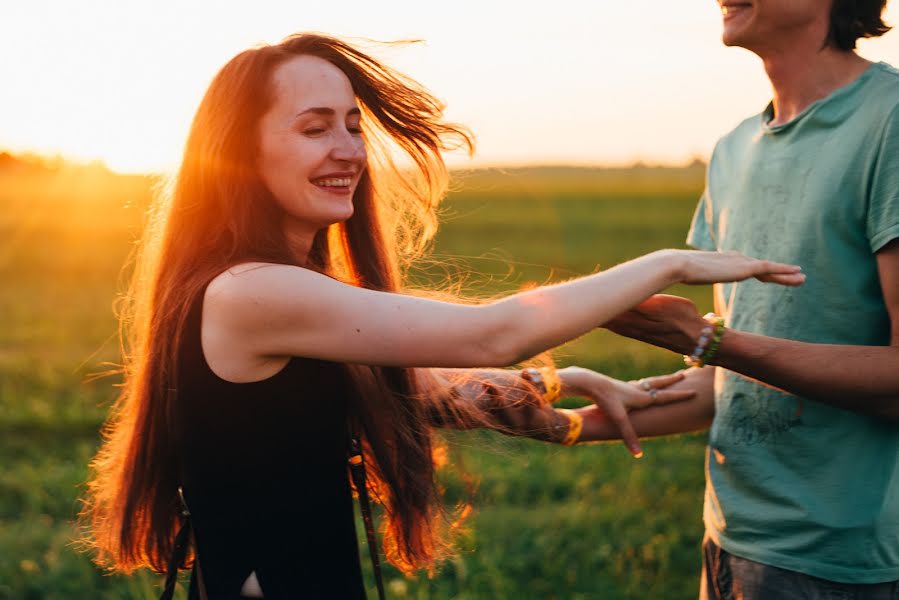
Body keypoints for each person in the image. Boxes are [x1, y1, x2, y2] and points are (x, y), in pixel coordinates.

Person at [79, 33, 802, 599]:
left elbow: (421, 389)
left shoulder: (287, 292)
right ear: (238, 154)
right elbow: (491, 333)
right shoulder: (248, 293)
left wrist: (565, 382)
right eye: (313, 128)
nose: (348, 150)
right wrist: (665, 265)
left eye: (353, 126)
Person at [586, 1, 899, 598]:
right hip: (730, 545)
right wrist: (567, 425)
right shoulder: (733, 149)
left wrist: (709, 341)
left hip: (846, 565)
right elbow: (736, 380)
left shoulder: (891, 121)